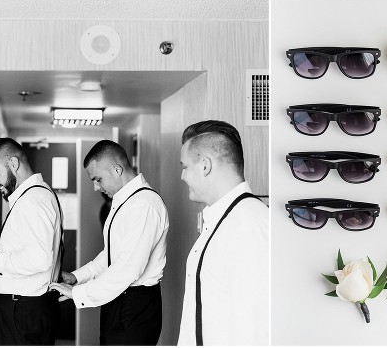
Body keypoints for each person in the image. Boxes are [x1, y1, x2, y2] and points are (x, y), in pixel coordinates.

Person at [49, 140, 169, 345]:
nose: (96, 187)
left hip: (134, 307)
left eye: (98, 179)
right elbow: (111, 255)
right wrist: (76, 278)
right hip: (119, 301)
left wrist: (78, 293)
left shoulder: (144, 205)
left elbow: (127, 269)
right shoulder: (125, 201)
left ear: (117, 169)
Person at [177, 120, 269, 345]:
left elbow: (256, 328)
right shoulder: (224, 219)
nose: (182, 176)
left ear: (205, 166)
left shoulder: (249, 225)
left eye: (185, 166)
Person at [0, 138, 63, 345]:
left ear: (13, 164)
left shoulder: (32, 200)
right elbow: (30, 250)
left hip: (23, 312)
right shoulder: (36, 195)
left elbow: (39, 259)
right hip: (27, 310)